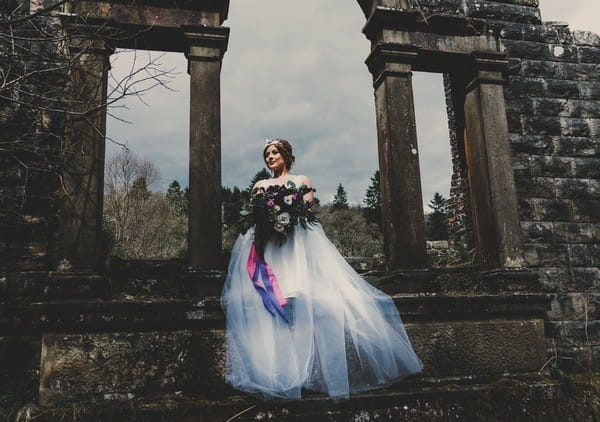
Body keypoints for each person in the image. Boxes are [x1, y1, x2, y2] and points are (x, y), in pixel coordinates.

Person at [221, 138, 423, 401]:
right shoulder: (260, 186)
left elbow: (305, 211)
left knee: (305, 301)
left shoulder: (302, 180)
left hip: (295, 245)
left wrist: (286, 213)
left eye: (275, 152)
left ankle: (308, 372)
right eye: (266, 154)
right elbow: (257, 214)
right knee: (269, 306)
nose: (270, 157)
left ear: (286, 155)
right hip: (270, 247)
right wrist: (269, 218)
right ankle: (278, 373)